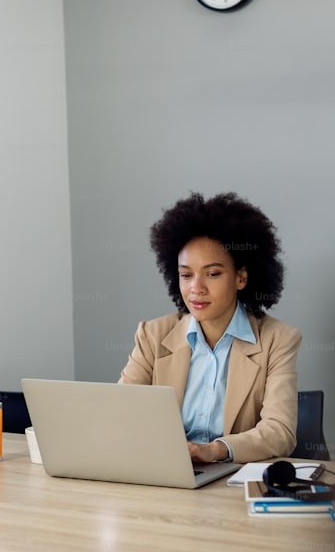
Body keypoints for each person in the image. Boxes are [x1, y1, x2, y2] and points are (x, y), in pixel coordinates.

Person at [119, 192, 301, 464]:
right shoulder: (153, 336)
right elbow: (120, 413)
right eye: (186, 275)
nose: (196, 289)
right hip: (164, 472)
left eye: (213, 273)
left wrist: (215, 450)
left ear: (241, 277)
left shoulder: (279, 339)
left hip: (229, 480)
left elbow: (279, 432)